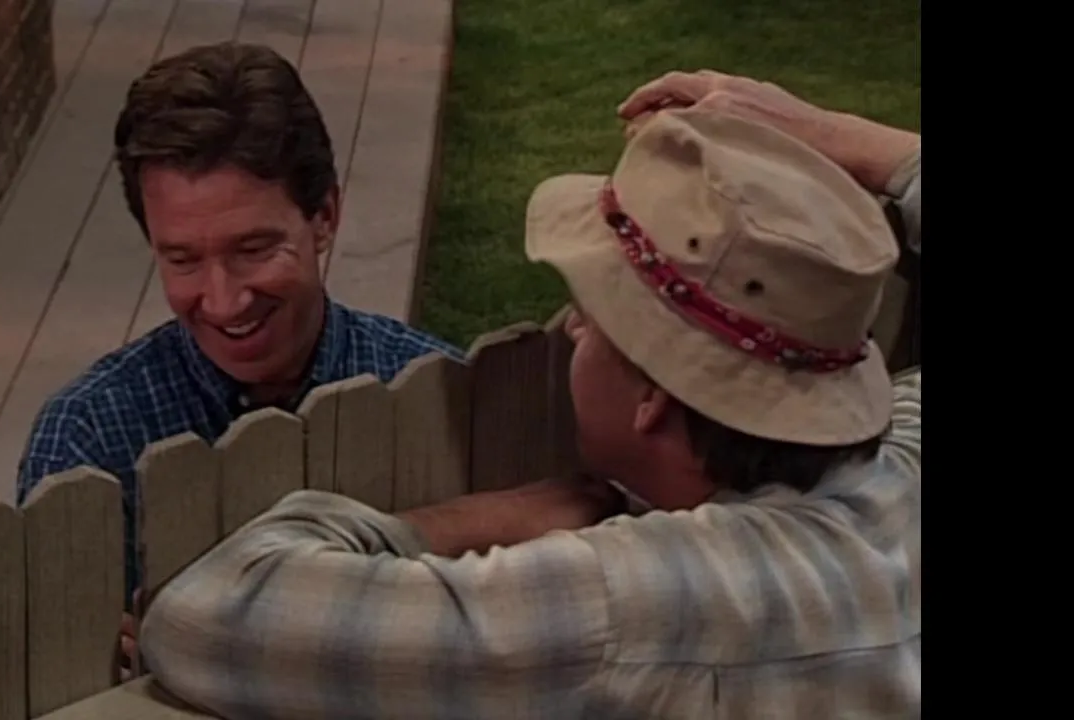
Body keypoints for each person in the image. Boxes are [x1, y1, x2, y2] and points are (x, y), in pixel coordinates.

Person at [138, 71, 922, 719]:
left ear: (652, 393)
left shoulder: (629, 600)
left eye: (593, 314)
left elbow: (211, 614)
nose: (571, 328)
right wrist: (833, 137)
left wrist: (492, 517)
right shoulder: (904, 469)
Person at [14, 41, 462, 668]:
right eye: (183, 260)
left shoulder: (442, 393)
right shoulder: (87, 439)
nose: (223, 301)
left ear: (325, 216)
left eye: (253, 249)